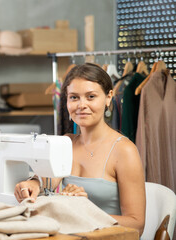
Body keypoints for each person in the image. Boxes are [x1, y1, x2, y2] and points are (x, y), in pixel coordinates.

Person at [14, 63, 146, 234]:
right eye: (74, 97)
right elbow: (47, 180)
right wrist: (33, 183)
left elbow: (137, 224)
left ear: (108, 97)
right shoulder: (66, 142)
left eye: (91, 97)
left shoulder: (124, 151)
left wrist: (84, 210)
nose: (81, 105)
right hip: (74, 235)